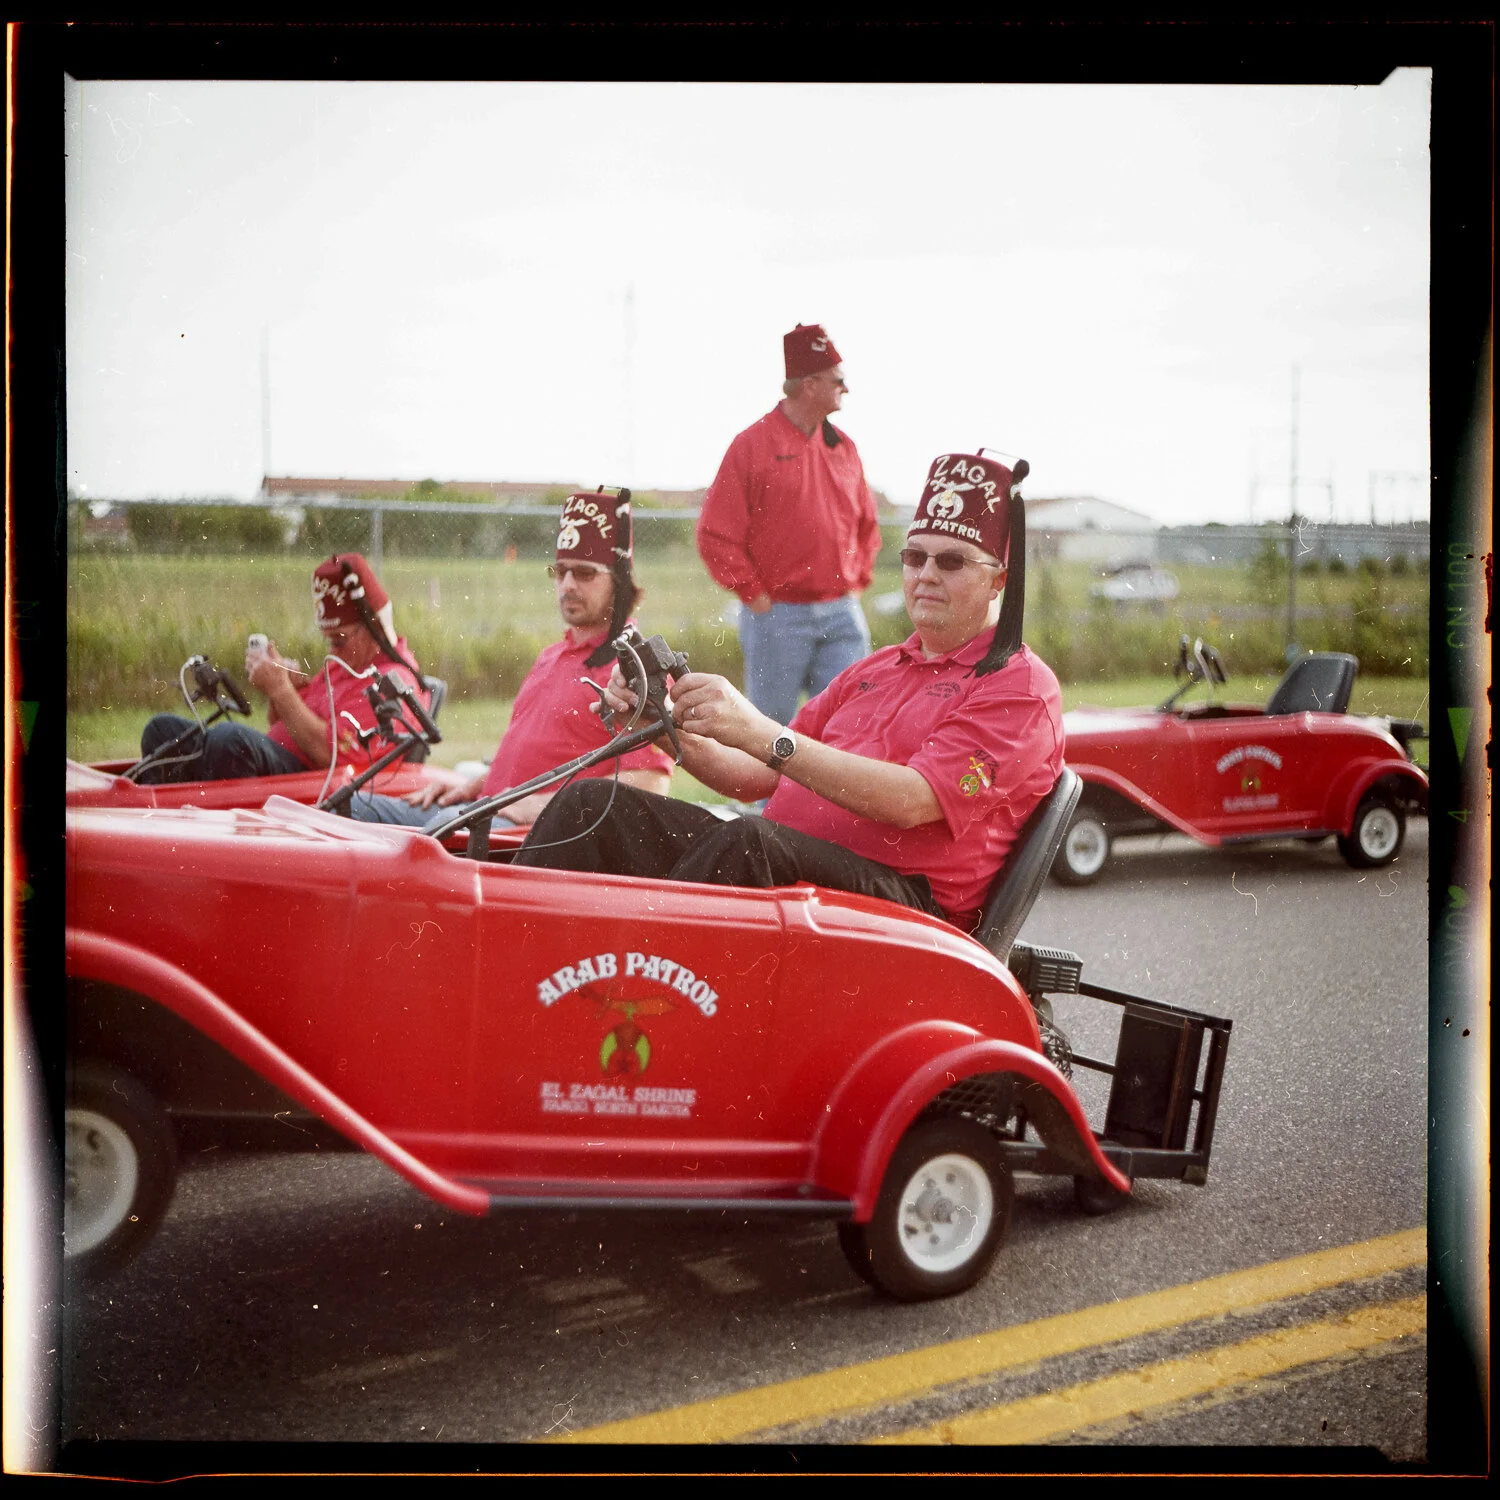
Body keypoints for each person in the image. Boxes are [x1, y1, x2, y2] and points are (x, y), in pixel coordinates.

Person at [516, 451, 1062, 938]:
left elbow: (913, 801)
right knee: (591, 803)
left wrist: (762, 733)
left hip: (910, 910)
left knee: (751, 840)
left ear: (999, 579)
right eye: (914, 558)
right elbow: (757, 776)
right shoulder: (877, 669)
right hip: (793, 867)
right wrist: (660, 724)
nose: (925, 575)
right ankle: (515, 971)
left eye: (951, 561)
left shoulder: (1019, 688)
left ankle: (632, 986)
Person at [350, 487, 673, 829]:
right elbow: (534, 759)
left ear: (619, 581)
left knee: (436, 830)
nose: (567, 585)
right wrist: (477, 784)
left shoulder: (632, 670)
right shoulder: (553, 655)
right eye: (560, 571)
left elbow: (650, 784)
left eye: (584, 573)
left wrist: (543, 807)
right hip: (487, 806)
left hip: (538, 830)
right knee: (353, 807)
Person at [696, 322, 882, 725]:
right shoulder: (752, 445)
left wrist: (855, 582)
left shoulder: (844, 447)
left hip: (841, 612)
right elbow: (715, 533)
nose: (846, 388)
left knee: (850, 721)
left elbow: (867, 525)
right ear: (809, 385)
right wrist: (755, 595)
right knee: (767, 731)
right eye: (838, 380)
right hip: (778, 615)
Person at [136, 553, 430, 783]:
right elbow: (277, 722)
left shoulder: (391, 683)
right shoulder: (349, 665)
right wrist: (288, 686)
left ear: (374, 628)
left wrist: (280, 689)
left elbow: (329, 754)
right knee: (162, 731)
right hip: (290, 770)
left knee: (231, 740)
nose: (332, 650)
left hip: (318, 784)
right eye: (328, 640)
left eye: (339, 640)